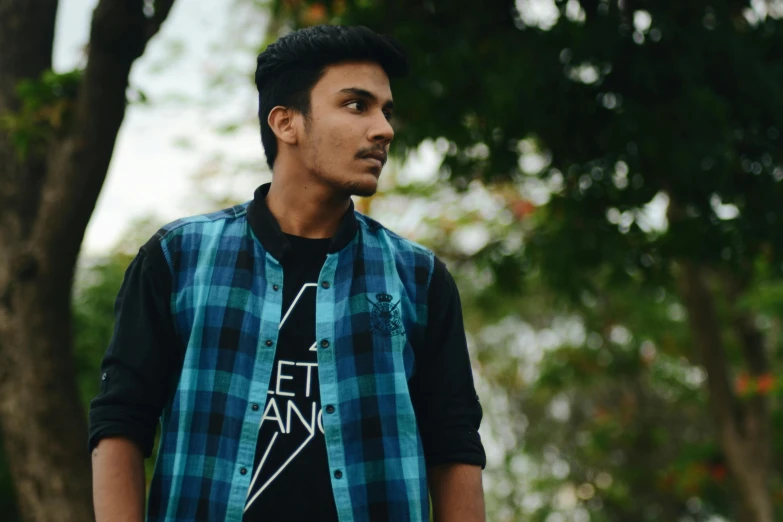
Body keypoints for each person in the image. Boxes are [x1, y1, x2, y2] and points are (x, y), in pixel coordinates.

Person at [89, 24, 486, 522]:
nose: (384, 128)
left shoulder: (419, 278)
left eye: (386, 110)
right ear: (286, 123)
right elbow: (121, 421)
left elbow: (454, 444)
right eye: (356, 105)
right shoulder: (179, 257)